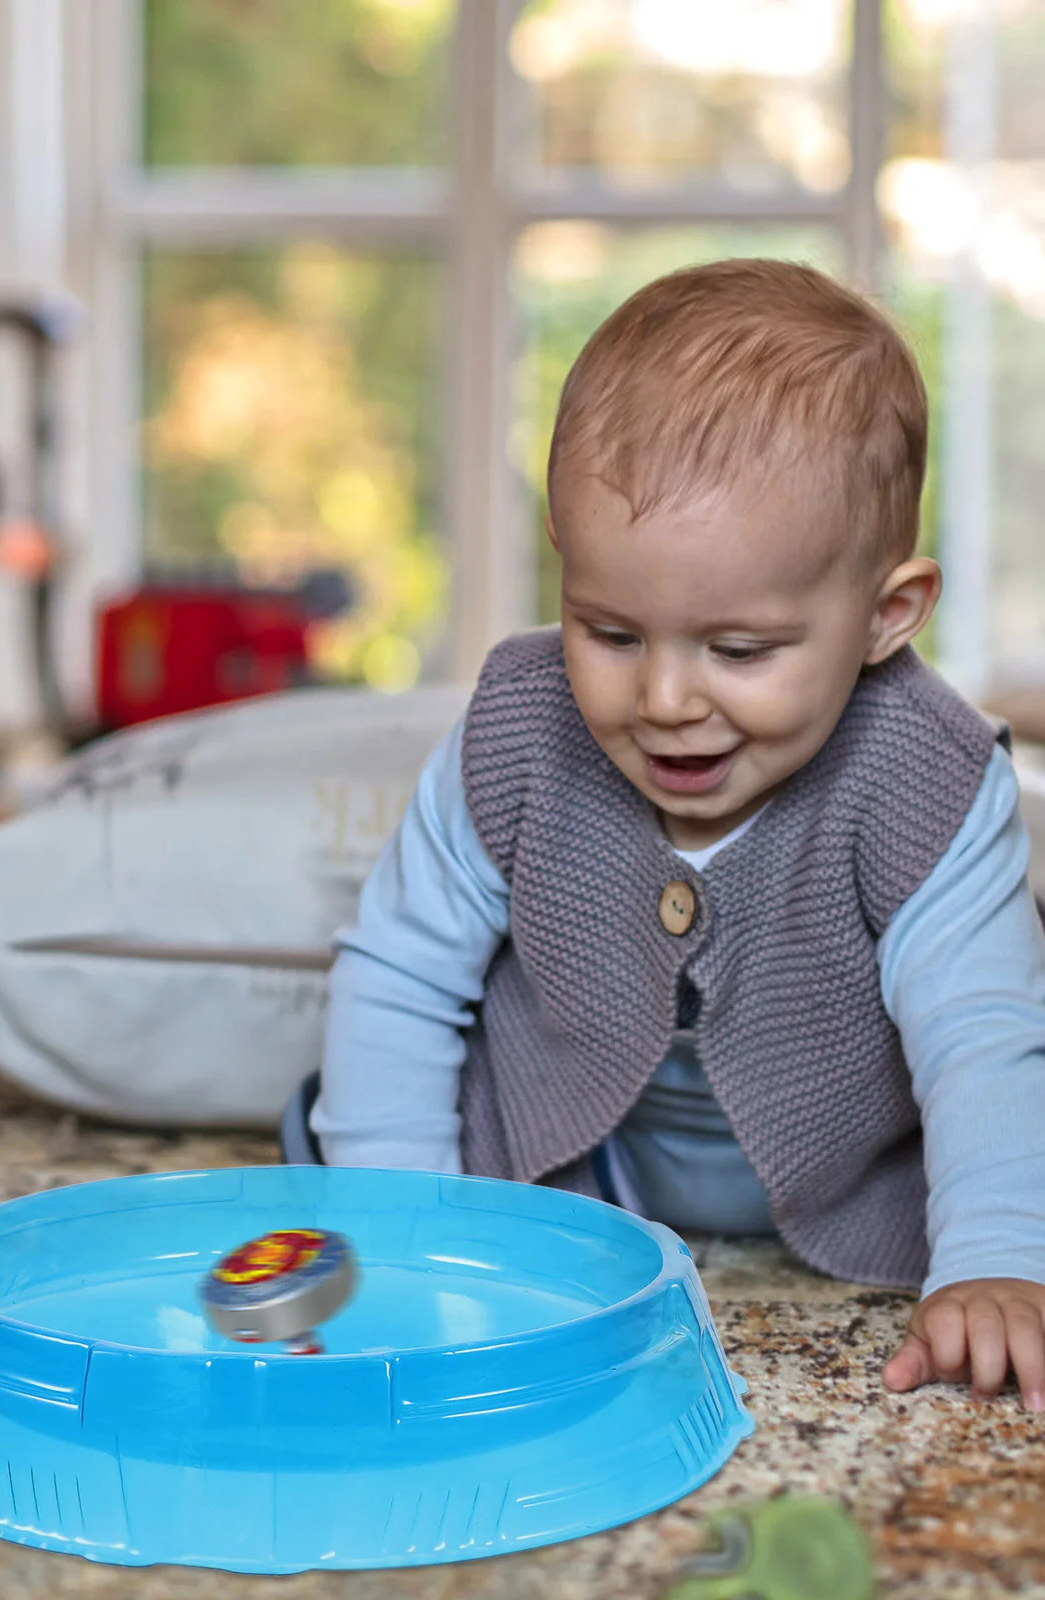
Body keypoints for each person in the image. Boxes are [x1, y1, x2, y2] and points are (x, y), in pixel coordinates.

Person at [287, 258, 1045, 1410]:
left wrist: (997, 1256)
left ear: (886, 615)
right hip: (567, 1157)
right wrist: (402, 1221)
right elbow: (399, 969)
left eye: (740, 651)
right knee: (337, 1118)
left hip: (860, 1176)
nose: (667, 699)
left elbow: (982, 1031)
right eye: (610, 630)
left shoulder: (926, 779)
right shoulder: (516, 728)